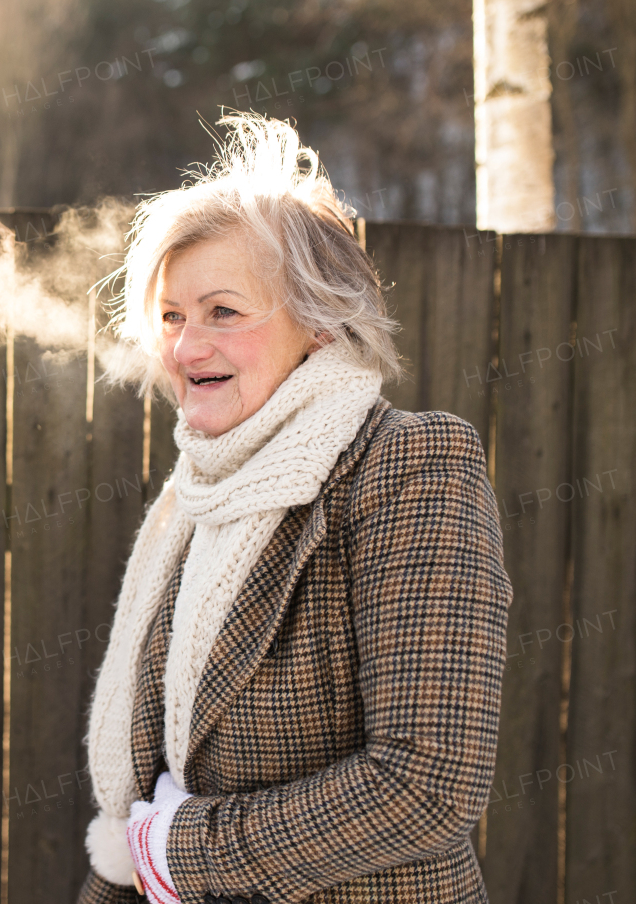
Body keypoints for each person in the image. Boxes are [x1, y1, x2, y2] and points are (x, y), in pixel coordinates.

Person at [77, 113, 513, 904]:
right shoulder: (197, 495)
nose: (184, 347)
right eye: (172, 316)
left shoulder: (405, 465)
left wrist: (181, 851)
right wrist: (141, 859)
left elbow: (428, 783)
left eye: (223, 312)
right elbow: (156, 787)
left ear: (317, 321)